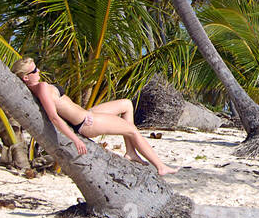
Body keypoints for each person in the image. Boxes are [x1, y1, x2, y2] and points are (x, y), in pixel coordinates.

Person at [11, 57, 177, 176]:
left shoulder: (36, 89)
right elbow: (54, 117)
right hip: (86, 124)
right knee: (132, 130)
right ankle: (160, 166)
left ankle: (131, 152)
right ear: (26, 77)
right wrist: (76, 140)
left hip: (87, 114)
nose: (38, 70)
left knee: (127, 104)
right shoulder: (41, 88)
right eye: (34, 70)